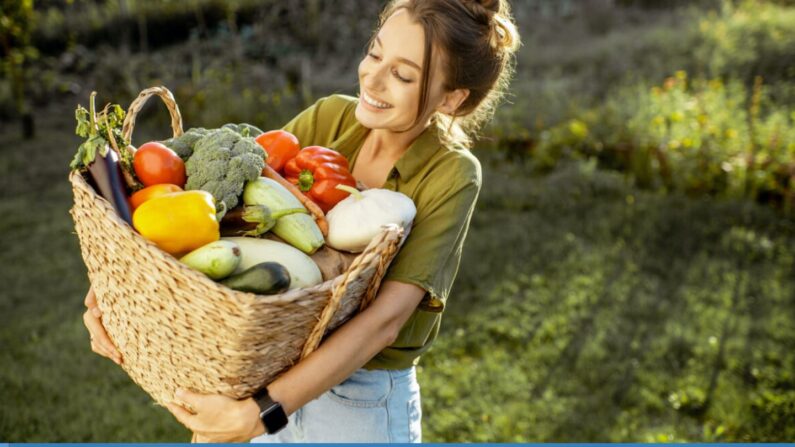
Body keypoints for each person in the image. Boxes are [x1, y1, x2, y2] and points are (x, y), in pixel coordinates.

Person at [83, 0, 520, 442]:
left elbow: (385, 322)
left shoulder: (451, 174)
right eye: (374, 53)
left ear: (451, 97)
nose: (373, 77)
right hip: (260, 365)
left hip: (354, 403)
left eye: (403, 75)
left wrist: (262, 414)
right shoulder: (330, 116)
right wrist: (118, 291)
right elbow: (205, 216)